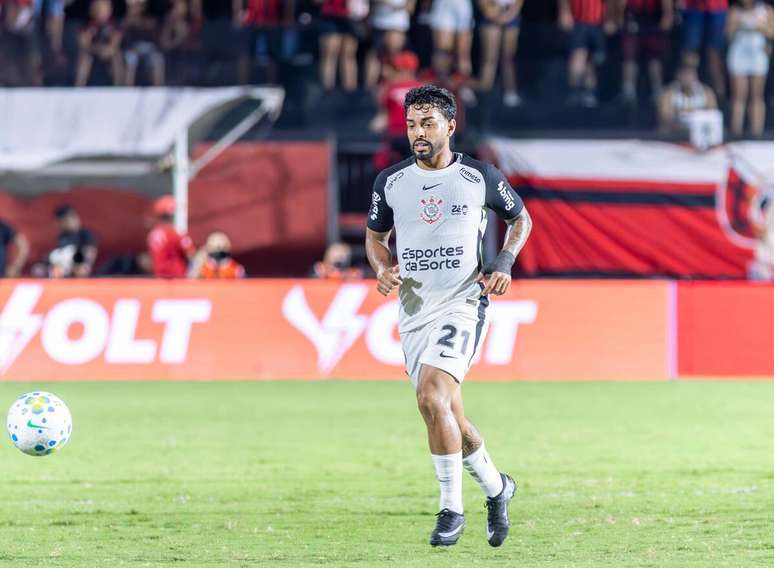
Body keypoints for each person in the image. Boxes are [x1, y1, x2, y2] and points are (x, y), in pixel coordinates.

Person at [365, 85, 532, 547]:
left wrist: (503, 262)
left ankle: (450, 510)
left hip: (463, 302)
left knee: (431, 397)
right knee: (448, 417)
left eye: (428, 124)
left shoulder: (480, 176)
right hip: (415, 309)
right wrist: (382, 268)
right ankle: (499, 490)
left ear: (451, 126)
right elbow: (375, 237)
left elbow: (521, 219)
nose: (417, 133)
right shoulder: (391, 182)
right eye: (412, 124)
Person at [726, 0, 774, 138]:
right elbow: (727, 35)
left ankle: (757, 134)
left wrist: (760, 27)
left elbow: (772, 33)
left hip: (757, 54)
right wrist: (736, 25)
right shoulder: (735, 11)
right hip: (739, 53)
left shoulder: (766, 9)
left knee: (757, 96)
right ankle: (736, 133)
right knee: (739, 97)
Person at [369, 50, 423, 164]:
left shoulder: (390, 88)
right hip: (416, 136)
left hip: (396, 137)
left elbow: (382, 117)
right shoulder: (422, 88)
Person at [559, 0, 613, 107]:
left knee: (593, 60)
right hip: (579, 22)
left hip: (598, 23)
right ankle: (574, 91)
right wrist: (564, 12)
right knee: (578, 57)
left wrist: (611, 18)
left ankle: (589, 92)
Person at [619, 0, 673, 105]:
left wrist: (665, 22)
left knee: (654, 60)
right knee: (629, 58)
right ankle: (628, 92)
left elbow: (667, 10)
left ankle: (657, 91)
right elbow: (621, 6)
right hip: (633, 24)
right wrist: (623, 22)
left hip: (654, 25)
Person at [476, 0, 524, 107]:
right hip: (490, 13)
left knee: (508, 58)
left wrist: (509, 15)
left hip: (511, 14)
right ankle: (485, 92)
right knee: (490, 58)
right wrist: (491, 13)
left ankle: (510, 92)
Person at [681, 0, 728, 100]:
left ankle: (719, 97)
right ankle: (687, 92)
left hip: (717, 6)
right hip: (694, 6)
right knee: (690, 51)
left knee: (715, 53)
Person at [429, 0, 475, 103]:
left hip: (462, 4)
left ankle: (463, 86)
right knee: (442, 51)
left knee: (463, 53)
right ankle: (441, 87)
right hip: (444, 4)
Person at [317, 0, 368, 91]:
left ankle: (350, 92)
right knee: (330, 55)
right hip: (331, 17)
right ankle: (327, 92)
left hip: (351, 18)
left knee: (349, 56)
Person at [658, 55, 718, 133]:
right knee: (663, 129)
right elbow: (664, 117)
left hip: (700, 131)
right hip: (676, 132)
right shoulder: (669, 93)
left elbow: (713, 115)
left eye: (690, 73)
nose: (687, 78)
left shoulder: (706, 92)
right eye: (684, 74)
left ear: (696, 75)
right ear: (678, 75)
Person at [365, 0, 415, 88]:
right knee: (375, 56)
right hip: (379, 22)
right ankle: (370, 90)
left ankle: (396, 88)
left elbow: (410, 7)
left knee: (395, 57)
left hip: (397, 24)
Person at [75, 0, 124, 86]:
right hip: (92, 52)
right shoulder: (88, 25)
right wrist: (96, 49)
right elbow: (83, 44)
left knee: (117, 57)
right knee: (85, 57)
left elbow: (115, 44)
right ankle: (79, 85)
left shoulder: (114, 25)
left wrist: (106, 50)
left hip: (108, 53)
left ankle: (118, 85)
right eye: (98, 9)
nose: (101, 12)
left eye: (104, 9)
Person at [147, 196, 195, 278]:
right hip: (176, 277)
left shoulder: (153, 233)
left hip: (159, 277)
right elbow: (191, 253)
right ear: (170, 214)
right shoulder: (175, 233)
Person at [122, 0, 165, 86]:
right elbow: (124, 38)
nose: (136, 7)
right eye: (134, 5)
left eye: (139, 5)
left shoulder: (150, 20)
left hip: (149, 49)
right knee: (130, 59)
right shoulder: (127, 21)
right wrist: (130, 17)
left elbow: (156, 38)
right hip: (132, 49)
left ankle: (158, 88)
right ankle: (127, 89)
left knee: (157, 59)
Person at [50, 205, 98, 278]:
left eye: (73, 217)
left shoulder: (85, 234)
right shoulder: (62, 237)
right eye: (63, 221)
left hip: (79, 268)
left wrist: (83, 265)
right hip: (63, 269)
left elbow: (90, 252)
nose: (73, 220)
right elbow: (57, 255)